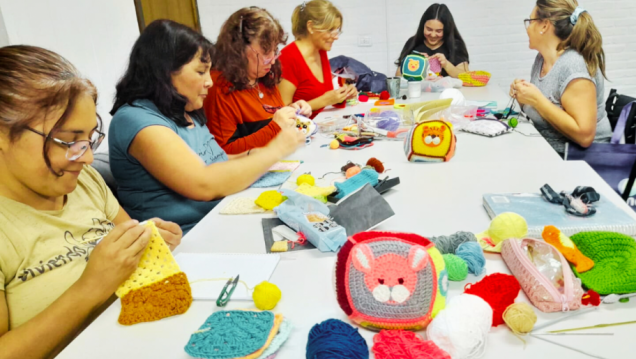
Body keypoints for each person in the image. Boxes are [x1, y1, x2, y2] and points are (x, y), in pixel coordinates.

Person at [0, 45, 182, 358]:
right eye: (68, 142)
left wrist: (149, 240)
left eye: (89, 139)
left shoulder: (83, 182)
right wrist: (90, 289)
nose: (86, 157)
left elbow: (130, 245)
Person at [109, 20, 305, 232]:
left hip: (216, 219)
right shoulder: (135, 120)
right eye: (201, 72)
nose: (209, 82)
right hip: (187, 237)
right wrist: (275, 151)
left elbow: (216, 160)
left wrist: (261, 155)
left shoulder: (183, 110)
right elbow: (204, 183)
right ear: (165, 71)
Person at [510, 0, 612, 156]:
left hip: (582, 161)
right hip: (551, 152)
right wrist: (524, 98)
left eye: (530, 21)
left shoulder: (573, 66)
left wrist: (537, 100)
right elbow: (545, 112)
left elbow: (584, 136)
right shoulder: (541, 60)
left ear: (544, 25)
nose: (528, 28)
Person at [204, 7, 312, 155]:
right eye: (266, 52)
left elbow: (269, 119)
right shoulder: (219, 87)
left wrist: (293, 112)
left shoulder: (263, 75)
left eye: (275, 50)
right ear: (238, 50)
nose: (273, 61)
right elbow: (224, 153)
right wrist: (275, 127)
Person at [278, 0, 357, 118]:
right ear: (311, 27)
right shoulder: (288, 58)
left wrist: (343, 94)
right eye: (330, 30)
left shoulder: (320, 51)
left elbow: (318, 97)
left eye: (337, 30)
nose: (336, 37)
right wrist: (325, 100)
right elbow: (282, 113)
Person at [395, 4, 469, 78]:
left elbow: (465, 76)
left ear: (446, 30)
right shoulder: (413, 43)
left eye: (438, 31)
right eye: (429, 29)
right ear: (423, 26)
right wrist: (416, 62)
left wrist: (446, 64)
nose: (433, 35)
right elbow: (398, 75)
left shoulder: (456, 45)